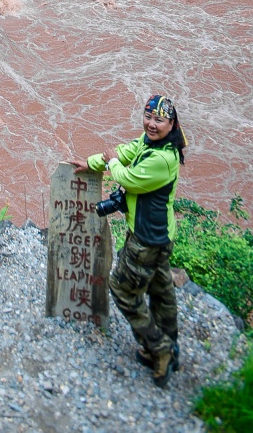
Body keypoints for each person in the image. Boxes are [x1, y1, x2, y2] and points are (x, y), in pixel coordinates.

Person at [72, 95, 187, 388]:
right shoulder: (153, 143)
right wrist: (92, 162)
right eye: (148, 117)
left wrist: (109, 162)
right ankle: (169, 349)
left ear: (171, 123)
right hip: (162, 234)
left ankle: (158, 348)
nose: (151, 124)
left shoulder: (163, 158)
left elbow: (130, 177)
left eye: (158, 120)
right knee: (161, 290)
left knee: (122, 290)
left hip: (146, 238)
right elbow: (127, 152)